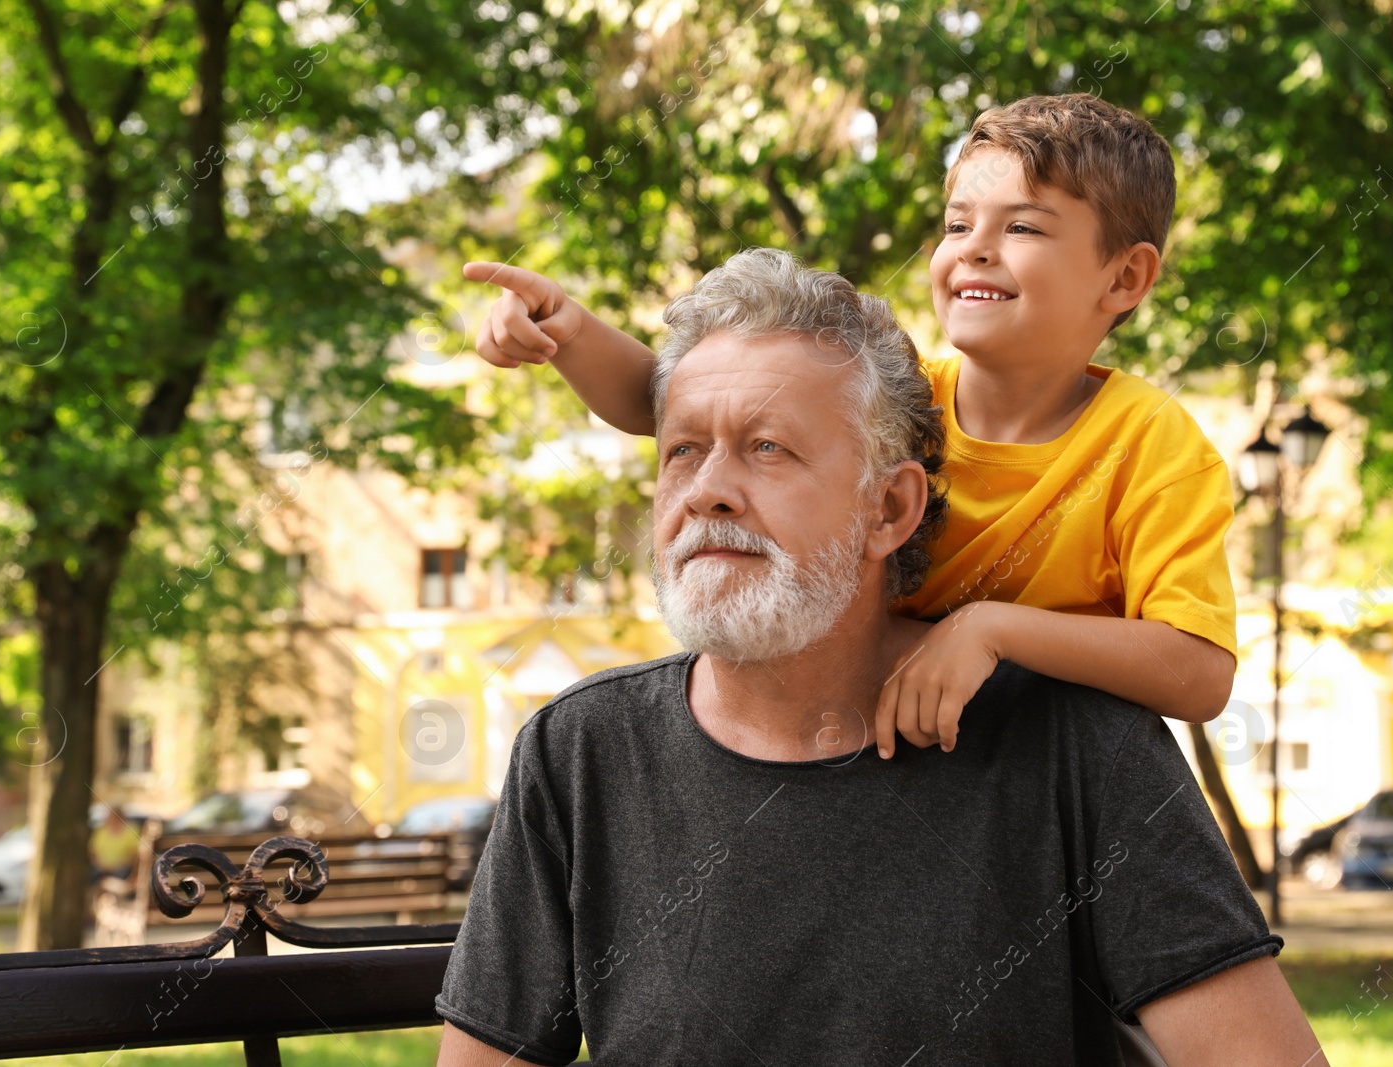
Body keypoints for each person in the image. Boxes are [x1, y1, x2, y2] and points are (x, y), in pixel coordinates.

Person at [433, 250, 1326, 1065]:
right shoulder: (579, 752)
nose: (706, 491)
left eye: (767, 448)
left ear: (890, 509)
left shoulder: (1076, 742)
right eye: (682, 451)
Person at [461, 94, 1238, 760]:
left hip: (1025, 764)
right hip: (849, 741)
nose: (974, 251)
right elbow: (672, 408)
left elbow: (1198, 671)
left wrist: (991, 631)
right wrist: (566, 332)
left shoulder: (1152, 445)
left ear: (1126, 276)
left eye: (1024, 229)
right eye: (957, 223)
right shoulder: (901, 397)